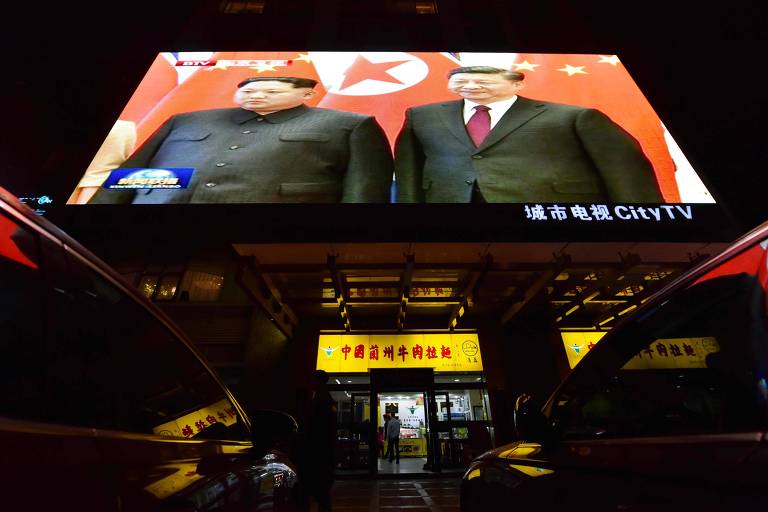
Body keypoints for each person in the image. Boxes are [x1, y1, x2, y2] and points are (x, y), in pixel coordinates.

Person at [90, 77, 393, 204]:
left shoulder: (350, 125)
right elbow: (135, 173)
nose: (257, 96)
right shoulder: (188, 119)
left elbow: (363, 189)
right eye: (248, 91)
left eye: (271, 91)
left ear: (307, 94)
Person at [394, 66, 664, 203]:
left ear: (516, 83)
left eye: (483, 81)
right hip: (451, 208)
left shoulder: (575, 117)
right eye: (461, 82)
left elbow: (624, 171)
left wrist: (647, 219)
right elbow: (409, 168)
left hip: (547, 211)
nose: (471, 86)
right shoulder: (421, 115)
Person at [299, 369, 337, 512]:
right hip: (323, 455)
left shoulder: (321, 401)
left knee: (320, 495)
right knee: (322, 496)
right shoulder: (325, 399)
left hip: (319, 455)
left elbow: (318, 430)